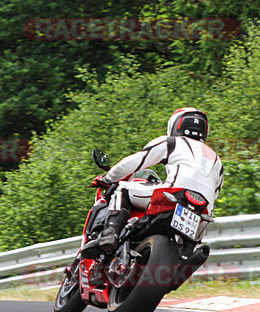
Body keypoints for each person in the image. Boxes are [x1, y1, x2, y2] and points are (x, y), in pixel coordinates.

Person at [82, 107, 223, 255]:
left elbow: (136, 161)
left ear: (176, 125)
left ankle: (110, 235)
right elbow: (215, 193)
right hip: (203, 212)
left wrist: (107, 178)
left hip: (174, 195)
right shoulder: (217, 161)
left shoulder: (173, 142)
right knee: (188, 251)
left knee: (122, 188)